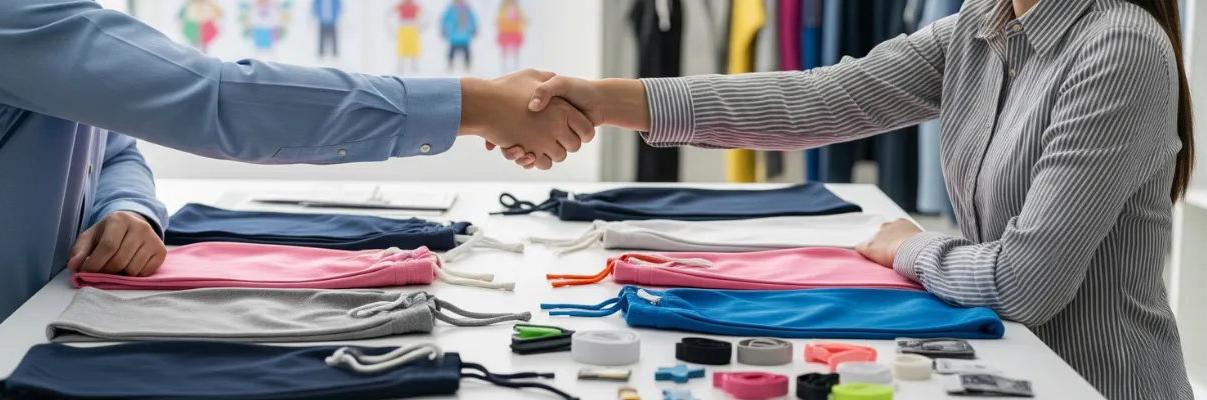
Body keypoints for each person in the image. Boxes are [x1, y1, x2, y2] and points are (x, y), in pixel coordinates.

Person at [0, 0, 591, 397]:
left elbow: (115, 145)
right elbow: (221, 103)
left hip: (23, 336)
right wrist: (473, 103)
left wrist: (130, 208)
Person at [512, 0, 1195, 398]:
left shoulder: (1118, 48)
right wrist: (605, 101)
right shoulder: (980, 30)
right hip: (1006, 370)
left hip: (1094, 385)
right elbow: (816, 99)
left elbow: (1024, 285)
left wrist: (911, 248)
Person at [442, 0, 477, 74]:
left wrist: (474, 28)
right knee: (452, 51)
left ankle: (467, 65)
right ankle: (450, 64)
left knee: (466, 51)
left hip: (464, 35)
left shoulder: (467, 8)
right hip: (454, 36)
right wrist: (443, 29)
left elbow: (472, 19)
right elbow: (445, 19)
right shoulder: (451, 8)